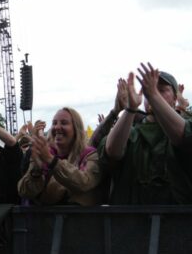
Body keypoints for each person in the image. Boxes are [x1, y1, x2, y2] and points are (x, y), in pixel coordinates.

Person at [103, 64, 192, 204]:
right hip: (133, 215)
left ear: (175, 98)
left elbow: (185, 137)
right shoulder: (131, 130)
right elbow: (111, 151)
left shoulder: (186, 124)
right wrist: (130, 109)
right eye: (148, 91)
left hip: (178, 215)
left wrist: (154, 96)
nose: (152, 93)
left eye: (161, 89)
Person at [18, 106, 103, 206]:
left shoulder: (90, 155)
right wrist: (36, 171)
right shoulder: (42, 153)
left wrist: (51, 160)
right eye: (54, 123)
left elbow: (84, 183)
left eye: (64, 123)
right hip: (42, 215)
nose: (57, 127)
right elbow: (24, 192)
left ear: (76, 128)